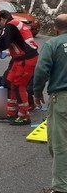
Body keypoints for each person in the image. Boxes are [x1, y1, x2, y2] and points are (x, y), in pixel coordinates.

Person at [33, 14, 67, 193]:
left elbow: (40, 70)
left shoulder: (52, 44)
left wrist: (37, 93)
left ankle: (61, 188)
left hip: (62, 100)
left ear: (55, 29)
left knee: (60, 144)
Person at [0, 9, 38, 125]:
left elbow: (4, 41)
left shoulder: (10, 25)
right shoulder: (19, 24)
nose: (1, 25)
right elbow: (21, 43)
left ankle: (24, 116)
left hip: (25, 60)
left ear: (2, 19)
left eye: (0, 22)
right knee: (11, 82)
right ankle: (11, 112)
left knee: (19, 86)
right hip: (22, 58)